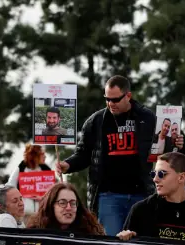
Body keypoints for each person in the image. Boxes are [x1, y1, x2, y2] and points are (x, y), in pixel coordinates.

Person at [54, 75, 156, 235]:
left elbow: (162, 148)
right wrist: (68, 165)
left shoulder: (147, 118)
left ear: (128, 96)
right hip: (109, 195)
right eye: (107, 99)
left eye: (115, 100)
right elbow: (83, 154)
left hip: (142, 194)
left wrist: (174, 143)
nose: (110, 104)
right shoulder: (96, 121)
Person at [7, 144, 53, 215]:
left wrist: (43, 198)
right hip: (24, 212)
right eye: (42, 154)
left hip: (42, 213)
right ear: (34, 156)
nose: (45, 156)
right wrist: (21, 197)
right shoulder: (21, 169)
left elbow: (52, 190)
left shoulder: (46, 170)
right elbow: (10, 186)